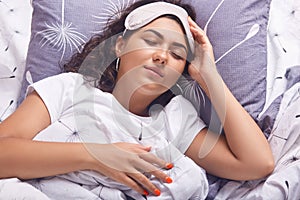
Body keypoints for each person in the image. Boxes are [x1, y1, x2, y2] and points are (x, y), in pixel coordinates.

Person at [0, 0, 274, 199]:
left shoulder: (174, 119)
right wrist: (96, 156)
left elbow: (256, 163)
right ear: (119, 46)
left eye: (178, 54)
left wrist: (209, 76)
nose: (162, 56)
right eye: (151, 41)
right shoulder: (69, 88)